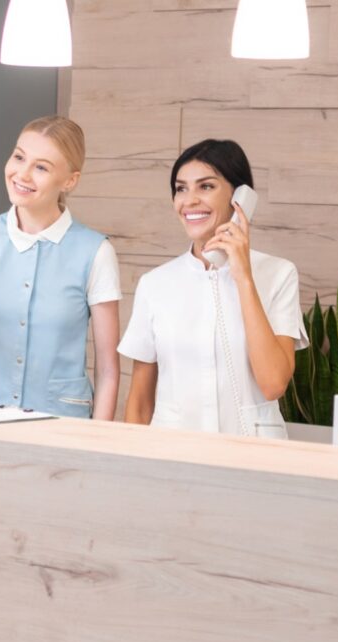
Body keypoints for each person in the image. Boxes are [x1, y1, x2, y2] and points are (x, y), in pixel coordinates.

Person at [0, 115, 121, 420]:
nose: (22, 173)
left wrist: (97, 443)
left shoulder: (96, 252)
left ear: (70, 180)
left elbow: (109, 370)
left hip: (64, 425)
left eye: (41, 167)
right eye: (19, 157)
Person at [121, 139, 307, 437]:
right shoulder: (155, 284)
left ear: (240, 198)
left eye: (206, 186)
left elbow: (273, 383)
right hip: (174, 452)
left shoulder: (278, 274)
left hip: (254, 455)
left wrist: (243, 276)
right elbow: (140, 403)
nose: (190, 200)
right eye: (181, 188)